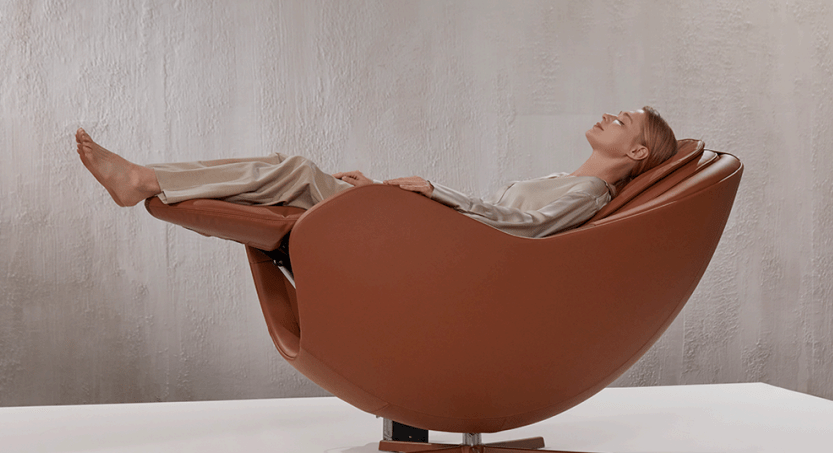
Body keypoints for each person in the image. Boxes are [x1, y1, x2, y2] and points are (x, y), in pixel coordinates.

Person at [75, 106, 676, 238]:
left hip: (444, 247)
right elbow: (498, 217)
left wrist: (433, 192)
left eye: (625, 121)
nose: (610, 116)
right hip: (434, 230)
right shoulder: (571, 180)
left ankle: (144, 181)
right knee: (290, 170)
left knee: (296, 171)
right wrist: (395, 193)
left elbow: (523, 229)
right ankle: (146, 177)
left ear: (637, 154)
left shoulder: (590, 192)